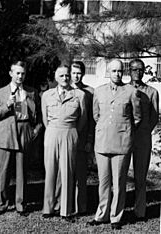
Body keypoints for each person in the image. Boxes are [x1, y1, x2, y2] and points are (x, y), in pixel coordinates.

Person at [87, 59, 142, 230]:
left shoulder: (131, 91)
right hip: (102, 142)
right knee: (103, 182)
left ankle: (115, 217)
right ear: (108, 72)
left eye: (120, 71)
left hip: (121, 143)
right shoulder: (99, 91)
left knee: (118, 182)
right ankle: (101, 215)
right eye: (114, 71)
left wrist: (124, 131)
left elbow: (137, 118)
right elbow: (96, 115)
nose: (117, 74)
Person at [0, 61, 42, 216]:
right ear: (10, 73)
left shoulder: (31, 92)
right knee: (4, 170)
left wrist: (35, 130)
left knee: (22, 170)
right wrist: (7, 105)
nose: (20, 76)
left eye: (23, 73)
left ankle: (20, 204)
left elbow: (38, 116)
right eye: (17, 73)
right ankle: (1, 204)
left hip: (24, 130)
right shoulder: (1, 92)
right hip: (6, 132)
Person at [41, 65, 87, 221]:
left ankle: (65, 210)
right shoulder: (47, 95)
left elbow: (83, 119)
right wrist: (53, 130)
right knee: (50, 170)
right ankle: (48, 207)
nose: (65, 78)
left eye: (67, 75)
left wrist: (72, 131)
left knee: (67, 171)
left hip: (70, 132)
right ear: (56, 77)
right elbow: (44, 118)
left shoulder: (79, 95)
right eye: (61, 76)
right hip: (52, 132)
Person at [129, 59, 159, 221]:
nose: (137, 73)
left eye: (140, 70)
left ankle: (140, 210)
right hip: (124, 136)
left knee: (140, 176)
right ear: (129, 71)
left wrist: (145, 130)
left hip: (142, 138)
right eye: (134, 69)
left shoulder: (152, 92)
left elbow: (154, 116)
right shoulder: (123, 89)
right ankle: (119, 207)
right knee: (120, 175)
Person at [70, 61, 95, 214]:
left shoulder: (90, 92)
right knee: (66, 173)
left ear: (83, 74)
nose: (76, 76)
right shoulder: (63, 90)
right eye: (73, 73)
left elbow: (92, 119)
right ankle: (66, 204)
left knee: (80, 174)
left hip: (82, 138)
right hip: (66, 136)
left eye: (78, 73)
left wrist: (90, 140)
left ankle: (81, 207)